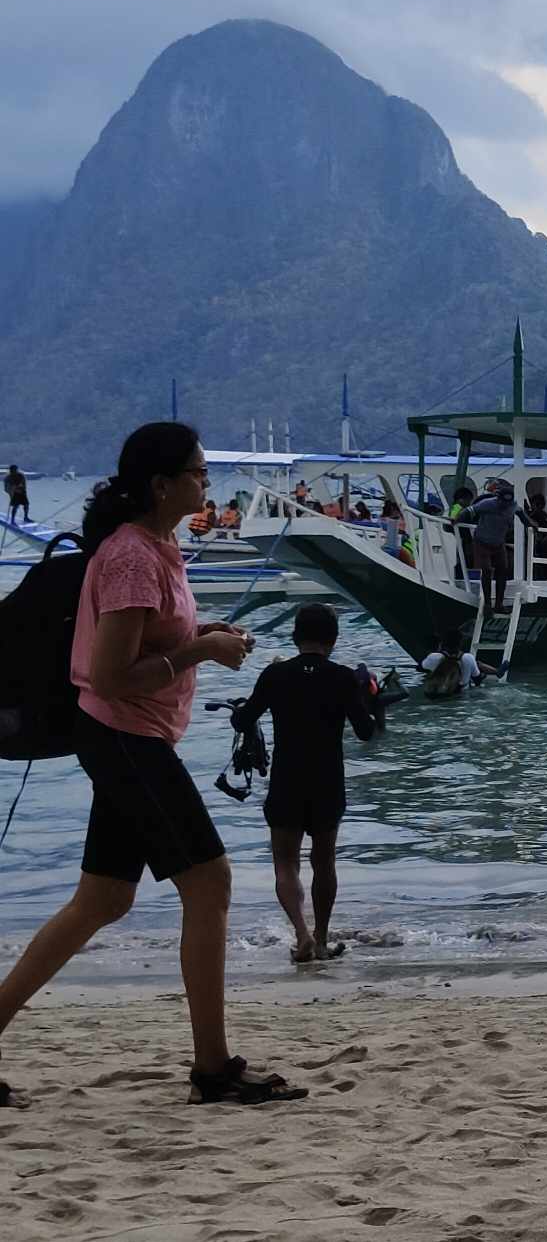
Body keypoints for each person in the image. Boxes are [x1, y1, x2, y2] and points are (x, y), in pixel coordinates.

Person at [0, 422, 305, 1109]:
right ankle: (213, 1068)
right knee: (210, 882)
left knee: (102, 901)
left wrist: (204, 636)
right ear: (161, 485)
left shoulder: (160, 547)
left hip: (131, 738)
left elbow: (147, 642)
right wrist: (200, 654)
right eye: (197, 472)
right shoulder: (133, 555)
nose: (207, 482)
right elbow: (109, 677)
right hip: (122, 737)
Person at [231, 604, 382, 964]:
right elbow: (365, 732)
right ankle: (322, 938)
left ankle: (300, 934)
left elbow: (243, 720)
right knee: (324, 860)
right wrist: (371, 700)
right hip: (327, 781)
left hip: (287, 779)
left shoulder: (275, 675)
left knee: (285, 862)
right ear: (333, 638)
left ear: (296, 636)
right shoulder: (344, 678)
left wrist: (238, 712)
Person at [461, 479, 516, 615]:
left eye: (507, 503)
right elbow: (468, 511)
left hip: (499, 543)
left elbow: (521, 515)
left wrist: (530, 524)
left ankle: (499, 604)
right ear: (498, 498)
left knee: (503, 570)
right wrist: (455, 520)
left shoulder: (513, 506)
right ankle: (487, 604)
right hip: (482, 542)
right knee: (486, 570)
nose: (504, 505)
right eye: (503, 502)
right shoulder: (487, 504)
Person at [419, 629, 501, 698]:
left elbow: (420, 668)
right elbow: (478, 680)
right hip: (460, 698)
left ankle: (497, 671)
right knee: (477, 666)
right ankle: (497, 671)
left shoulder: (434, 657)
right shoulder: (468, 658)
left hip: (436, 697)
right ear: (461, 643)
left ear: (442, 643)